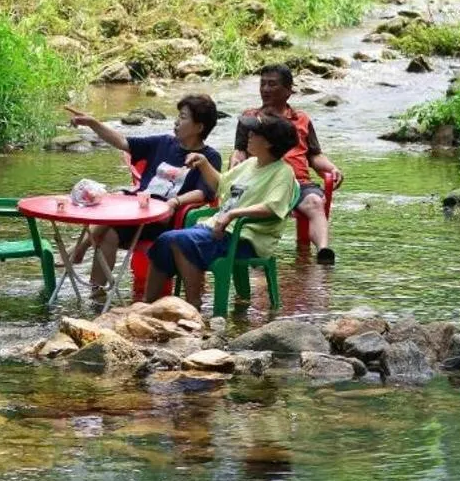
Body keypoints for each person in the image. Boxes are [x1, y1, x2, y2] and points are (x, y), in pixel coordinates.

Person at [63, 94, 222, 302]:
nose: (176, 122)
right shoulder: (163, 143)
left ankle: (79, 248)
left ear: (199, 127)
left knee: (114, 208)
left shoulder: (209, 157)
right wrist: (93, 123)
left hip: (163, 219)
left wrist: (175, 202)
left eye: (183, 117)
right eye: (178, 116)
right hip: (136, 211)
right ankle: (97, 295)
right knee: (109, 232)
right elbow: (122, 141)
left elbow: (205, 193)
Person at [145, 114, 300, 307]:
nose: (249, 135)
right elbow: (221, 185)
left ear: (269, 143)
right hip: (218, 229)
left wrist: (233, 214)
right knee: (164, 240)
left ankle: (194, 305)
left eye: (255, 133)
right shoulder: (250, 163)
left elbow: (272, 206)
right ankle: (147, 305)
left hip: (244, 239)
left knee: (179, 241)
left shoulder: (283, 172)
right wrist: (203, 163)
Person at [231, 63, 343, 264]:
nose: (265, 89)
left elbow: (314, 156)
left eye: (272, 84)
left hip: (298, 184)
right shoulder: (250, 118)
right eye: (263, 84)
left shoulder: (301, 119)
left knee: (315, 202)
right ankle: (251, 253)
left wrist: (332, 168)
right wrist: (235, 164)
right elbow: (239, 151)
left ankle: (324, 251)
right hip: (262, 182)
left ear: (288, 91)